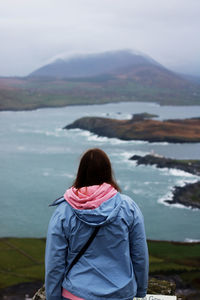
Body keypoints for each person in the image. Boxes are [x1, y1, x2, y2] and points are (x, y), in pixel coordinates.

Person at [45, 148, 149, 300]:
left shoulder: (64, 211)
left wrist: (53, 297)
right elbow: (139, 254)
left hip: (75, 293)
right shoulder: (128, 207)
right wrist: (140, 290)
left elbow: (55, 261)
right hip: (120, 294)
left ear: (81, 172)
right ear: (108, 172)